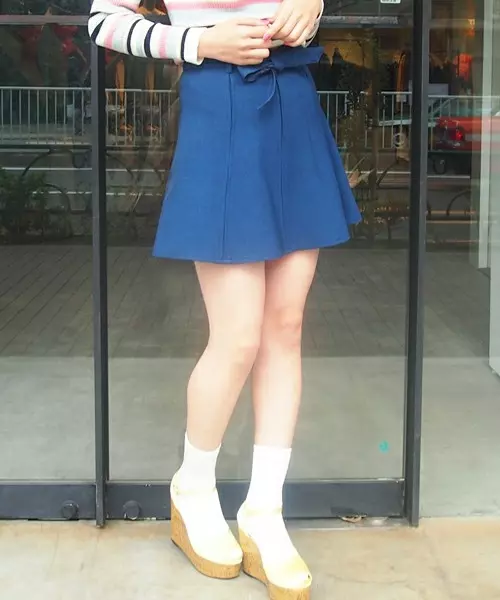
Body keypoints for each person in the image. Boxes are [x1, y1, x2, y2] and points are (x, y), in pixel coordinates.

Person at [88, 1, 361, 598]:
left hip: (293, 99)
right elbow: (102, 21)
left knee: (285, 327)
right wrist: (198, 43)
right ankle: (193, 487)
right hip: (220, 105)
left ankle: (264, 510)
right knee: (238, 336)